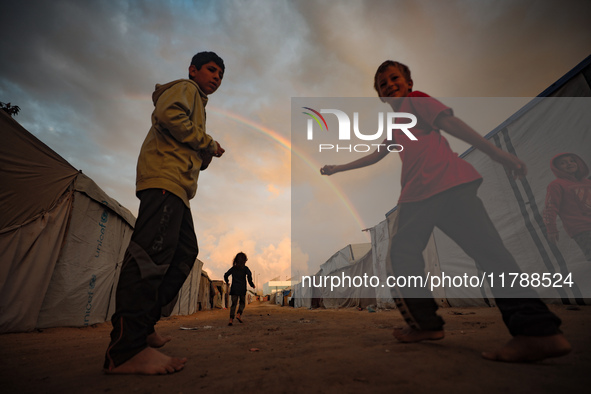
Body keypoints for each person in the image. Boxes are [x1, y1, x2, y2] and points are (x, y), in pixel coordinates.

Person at [320, 60, 571, 362]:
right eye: (383, 83)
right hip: (433, 191)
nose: (389, 84)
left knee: (403, 255)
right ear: (381, 96)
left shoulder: (416, 101)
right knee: (487, 253)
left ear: (408, 83)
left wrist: (496, 153)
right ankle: (538, 332)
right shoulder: (396, 124)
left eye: (394, 78)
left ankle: (434, 324)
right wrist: (338, 168)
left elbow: (450, 124)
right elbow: (376, 155)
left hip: (434, 188)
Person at [104, 51, 226, 375]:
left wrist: (205, 152)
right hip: (163, 181)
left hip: (178, 190)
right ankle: (126, 349)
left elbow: (187, 144)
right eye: (211, 70)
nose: (216, 77)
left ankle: (144, 326)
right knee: (150, 255)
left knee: (185, 251)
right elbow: (169, 115)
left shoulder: (199, 104)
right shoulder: (185, 90)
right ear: (193, 70)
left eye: (220, 75)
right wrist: (208, 142)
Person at [543, 153, 591, 261]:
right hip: (582, 229)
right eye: (563, 163)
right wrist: (551, 228)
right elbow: (550, 207)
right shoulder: (556, 185)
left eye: (571, 161)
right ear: (556, 168)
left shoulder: (588, 182)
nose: (569, 164)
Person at [224, 252, 256, 326]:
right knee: (242, 303)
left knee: (233, 304)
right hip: (242, 289)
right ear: (244, 261)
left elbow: (226, 275)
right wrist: (252, 284)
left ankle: (231, 319)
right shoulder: (245, 269)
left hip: (234, 289)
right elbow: (249, 276)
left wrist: (227, 281)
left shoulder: (233, 268)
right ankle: (239, 314)